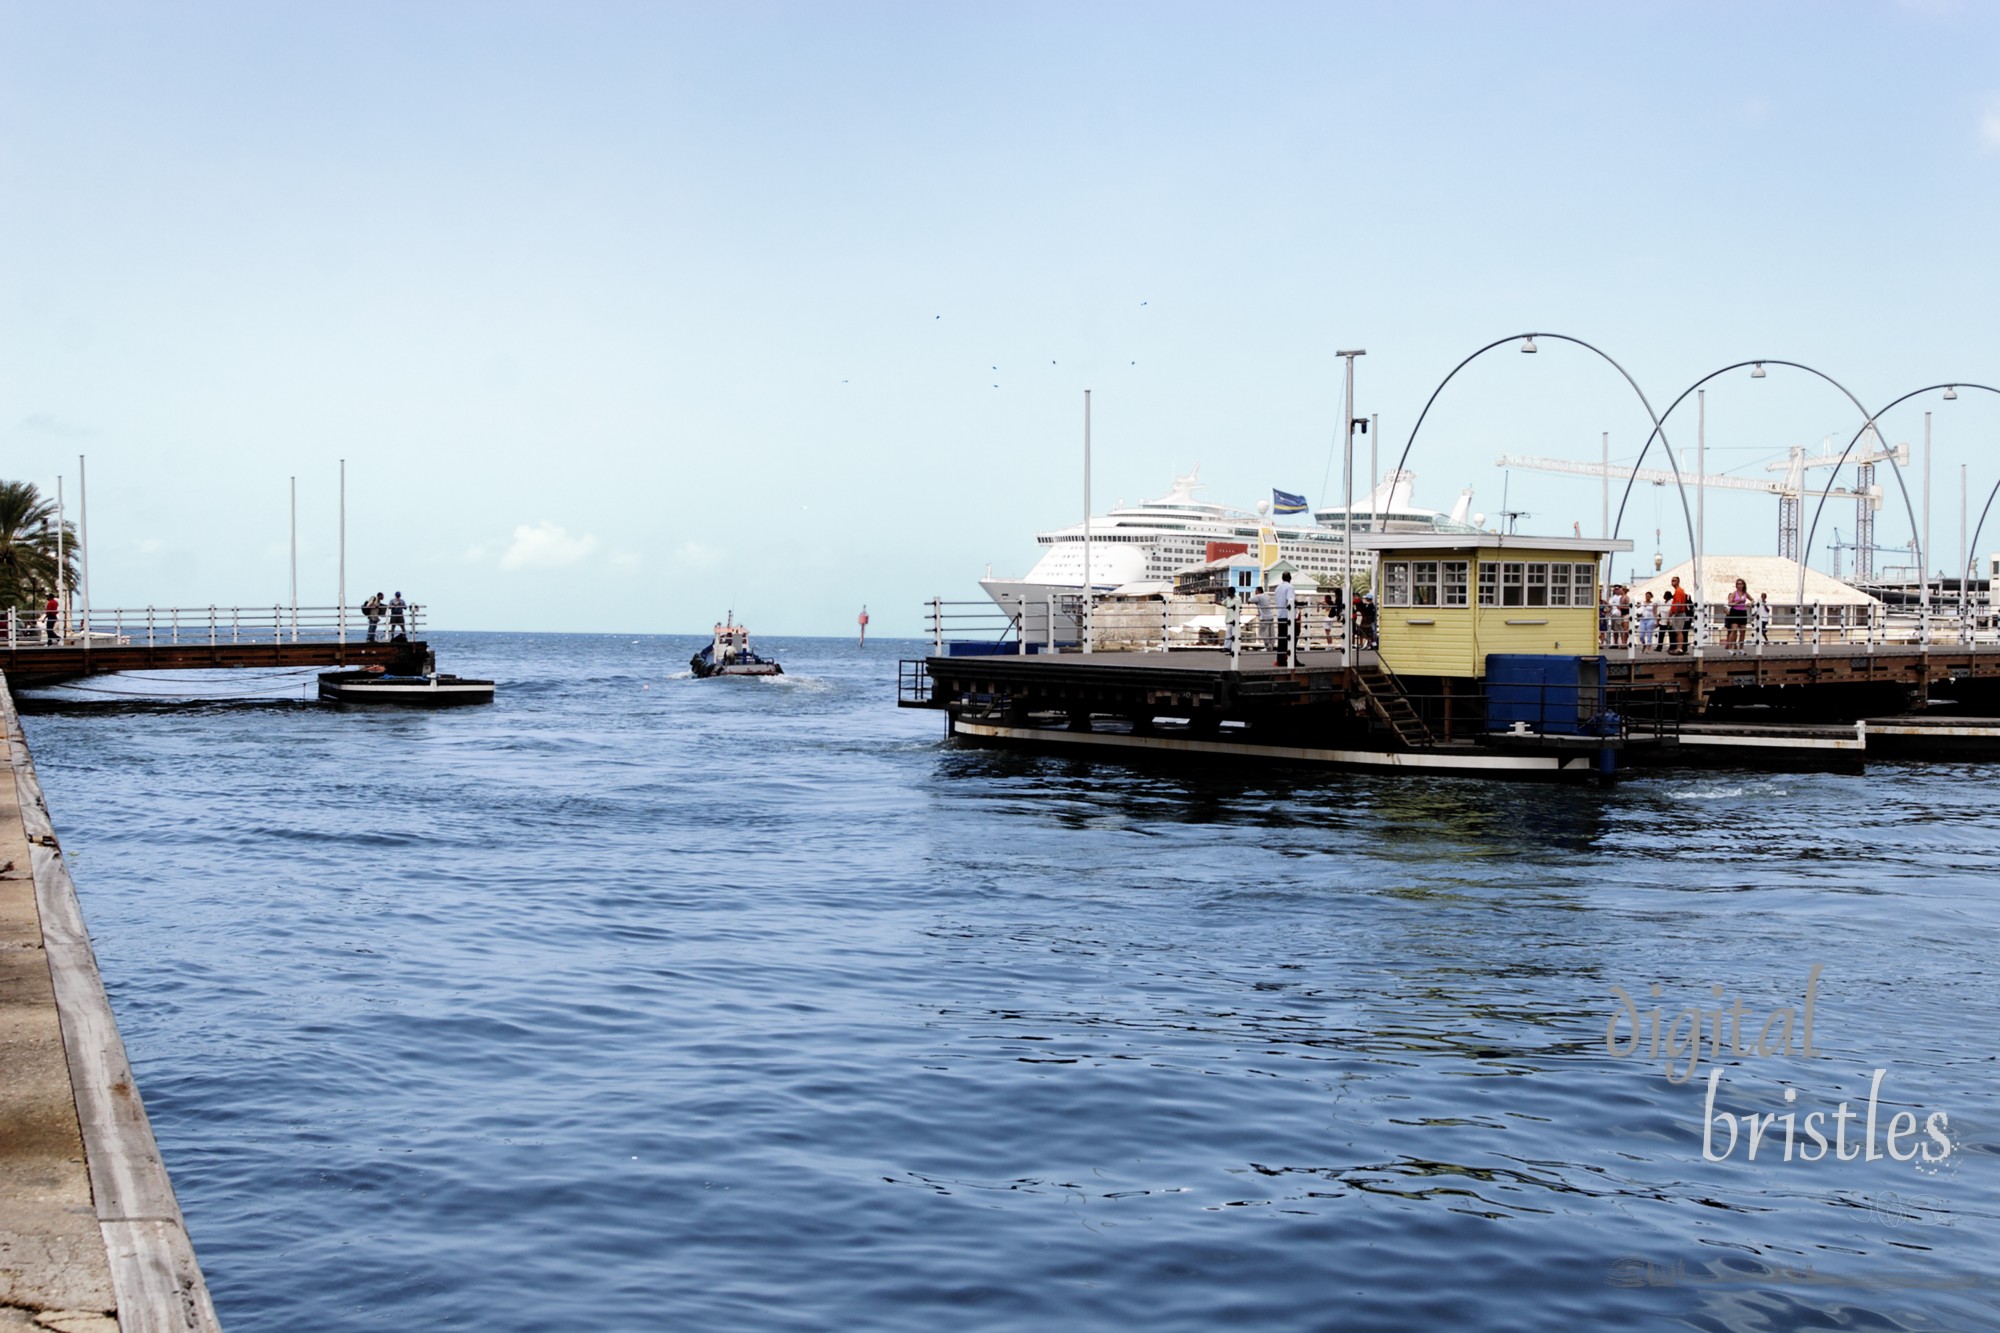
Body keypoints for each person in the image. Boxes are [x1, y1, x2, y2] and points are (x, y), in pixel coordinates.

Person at [1273, 571, 1296, 660]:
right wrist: (1301, 603)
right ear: (1290, 578)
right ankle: (1292, 659)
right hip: (1288, 616)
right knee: (1291, 639)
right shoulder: (1290, 587)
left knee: (1281, 639)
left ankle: (1280, 658)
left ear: (1282, 578)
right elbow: (1290, 601)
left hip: (1280, 615)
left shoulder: (1278, 588)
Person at [1666, 576, 1692, 654]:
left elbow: (1678, 604)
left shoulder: (1678, 591)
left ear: (1678, 582)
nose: (1673, 582)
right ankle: (1679, 648)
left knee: (1678, 631)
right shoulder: (1678, 591)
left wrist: (1676, 613)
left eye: (1674, 580)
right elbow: (1675, 604)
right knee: (1677, 631)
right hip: (1677, 613)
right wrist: (1670, 614)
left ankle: (1679, 648)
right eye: (1672, 580)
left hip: (1679, 614)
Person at [1725, 578, 1751, 652]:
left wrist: (1750, 604)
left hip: (1743, 612)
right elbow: (1729, 603)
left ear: (1743, 585)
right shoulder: (1734, 593)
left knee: (1743, 631)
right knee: (1734, 630)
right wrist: (1737, 602)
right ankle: (1730, 648)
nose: (1739, 585)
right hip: (1735, 611)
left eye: (1741, 584)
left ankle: (1741, 648)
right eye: (1738, 584)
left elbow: (1752, 600)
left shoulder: (1745, 593)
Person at [1252, 585, 1272, 650]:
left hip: (1264, 617)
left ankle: (1267, 646)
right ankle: (1270, 646)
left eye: (1256, 591)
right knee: (1270, 633)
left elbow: (1249, 600)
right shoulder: (1266, 596)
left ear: (1259, 591)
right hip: (1270, 616)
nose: (1255, 592)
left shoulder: (1259, 596)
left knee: (1262, 632)